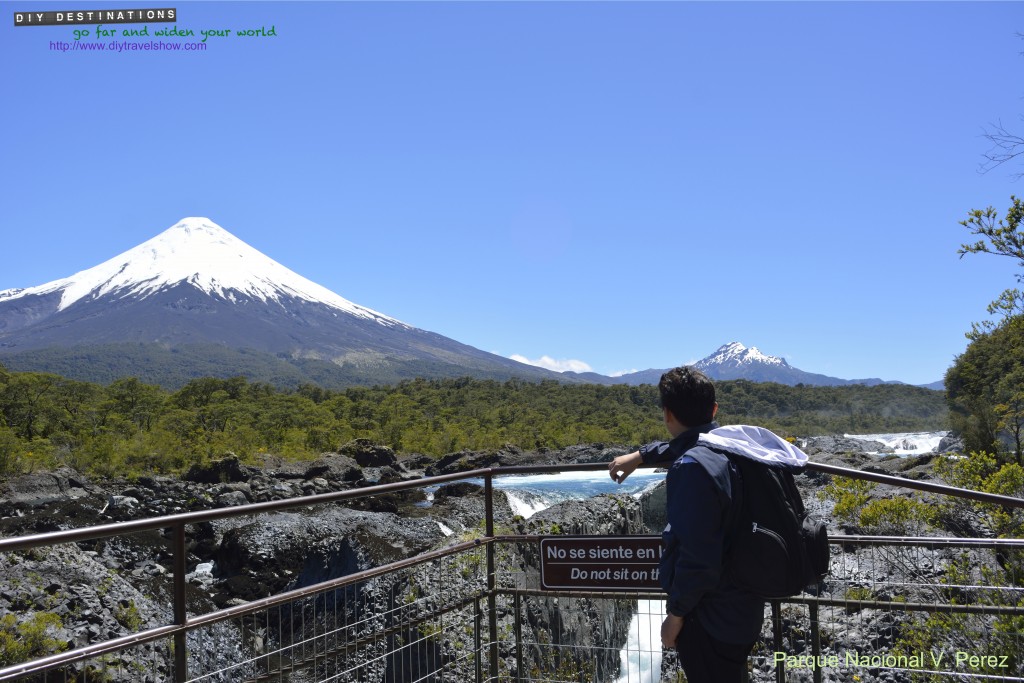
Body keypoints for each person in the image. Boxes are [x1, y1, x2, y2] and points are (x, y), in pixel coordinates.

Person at [609, 365, 798, 683]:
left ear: (667, 414)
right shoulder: (737, 448)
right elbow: (690, 441)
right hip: (745, 607)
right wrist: (642, 454)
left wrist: (676, 616)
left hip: (710, 617)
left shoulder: (691, 468)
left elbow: (699, 557)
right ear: (714, 410)